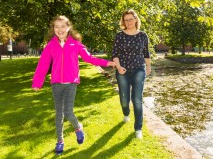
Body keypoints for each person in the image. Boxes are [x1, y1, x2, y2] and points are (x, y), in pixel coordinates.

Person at [32, 15, 115, 155]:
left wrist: (106, 63)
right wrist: (37, 82)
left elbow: (89, 58)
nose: (59, 29)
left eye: (62, 26)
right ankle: (60, 141)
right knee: (59, 114)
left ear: (68, 27)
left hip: (71, 83)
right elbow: (43, 65)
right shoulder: (50, 45)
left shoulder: (75, 43)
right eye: (56, 26)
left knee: (68, 112)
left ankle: (77, 127)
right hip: (56, 83)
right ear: (53, 29)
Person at [112, 9, 151, 139]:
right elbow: (115, 55)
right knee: (124, 100)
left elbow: (146, 53)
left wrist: (149, 66)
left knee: (137, 99)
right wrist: (118, 67)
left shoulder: (143, 35)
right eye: (126, 20)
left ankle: (138, 128)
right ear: (123, 21)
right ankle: (126, 112)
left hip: (139, 69)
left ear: (135, 19)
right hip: (122, 70)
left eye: (130, 19)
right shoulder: (119, 35)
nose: (128, 22)